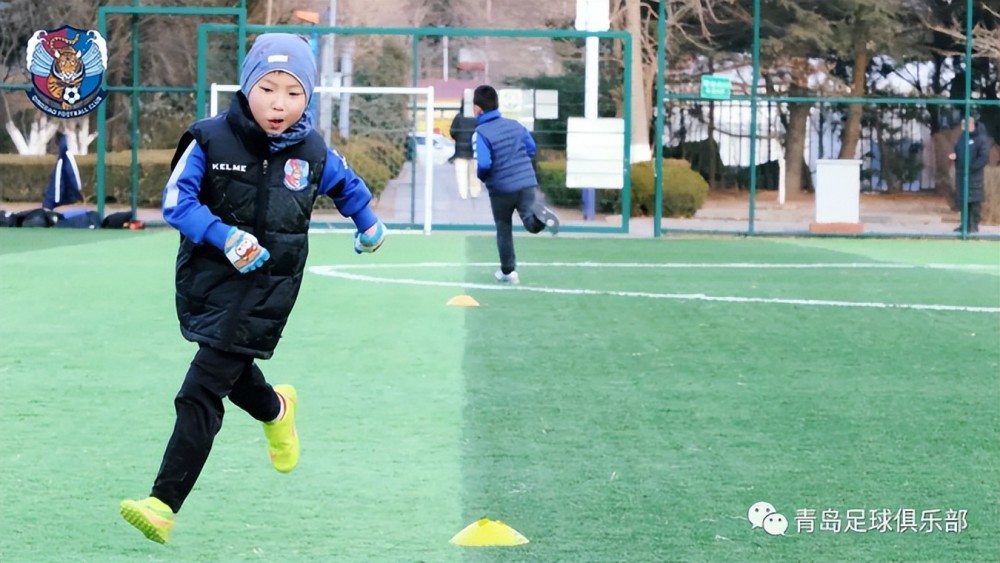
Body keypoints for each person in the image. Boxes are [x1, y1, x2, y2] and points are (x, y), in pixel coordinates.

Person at [118, 33, 386, 545]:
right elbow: (176, 202)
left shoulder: (312, 150)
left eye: (293, 92)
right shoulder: (210, 139)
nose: (279, 103)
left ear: (308, 97)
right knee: (229, 368)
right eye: (268, 88)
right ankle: (276, 411)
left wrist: (368, 223)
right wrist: (224, 236)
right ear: (246, 87)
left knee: (200, 389)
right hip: (212, 278)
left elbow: (346, 184)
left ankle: (162, 504)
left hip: (268, 287)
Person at [473, 84, 559, 285]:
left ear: (478, 108)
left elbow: (484, 163)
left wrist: (483, 177)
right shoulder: (516, 125)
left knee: (504, 227)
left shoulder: (481, 132)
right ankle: (541, 216)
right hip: (526, 182)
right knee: (530, 223)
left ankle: (508, 272)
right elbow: (531, 148)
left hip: (501, 188)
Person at [949, 115, 991, 233]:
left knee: (974, 202)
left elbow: (983, 158)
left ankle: (973, 226)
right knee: (963, 201)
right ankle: (964, 225)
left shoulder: (981, 139)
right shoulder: (962, 138)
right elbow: (957, 150)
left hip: (974, 176)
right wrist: (955, 157)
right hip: (961, 174)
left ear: (972, 125)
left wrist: (971, 168)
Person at [448, 99, 482, 200]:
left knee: (461, 173)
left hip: (460, 151)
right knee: (475, 173)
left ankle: (463, 194)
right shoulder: (479, 118)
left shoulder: (458, 117)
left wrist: (459, 139)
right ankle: (474, 192)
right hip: (475, 150)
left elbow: (452, 131)